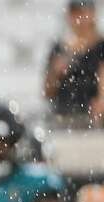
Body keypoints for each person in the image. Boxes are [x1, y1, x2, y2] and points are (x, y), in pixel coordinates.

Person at [45, 0, 104, 129]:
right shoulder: (59, 48)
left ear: (93, 15)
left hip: (94, 121)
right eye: (75, 14)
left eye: (83, 14)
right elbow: (47, 91)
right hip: (63, 118)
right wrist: (55, 72)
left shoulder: (101, 47)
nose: (80, 19)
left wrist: (101, 101)